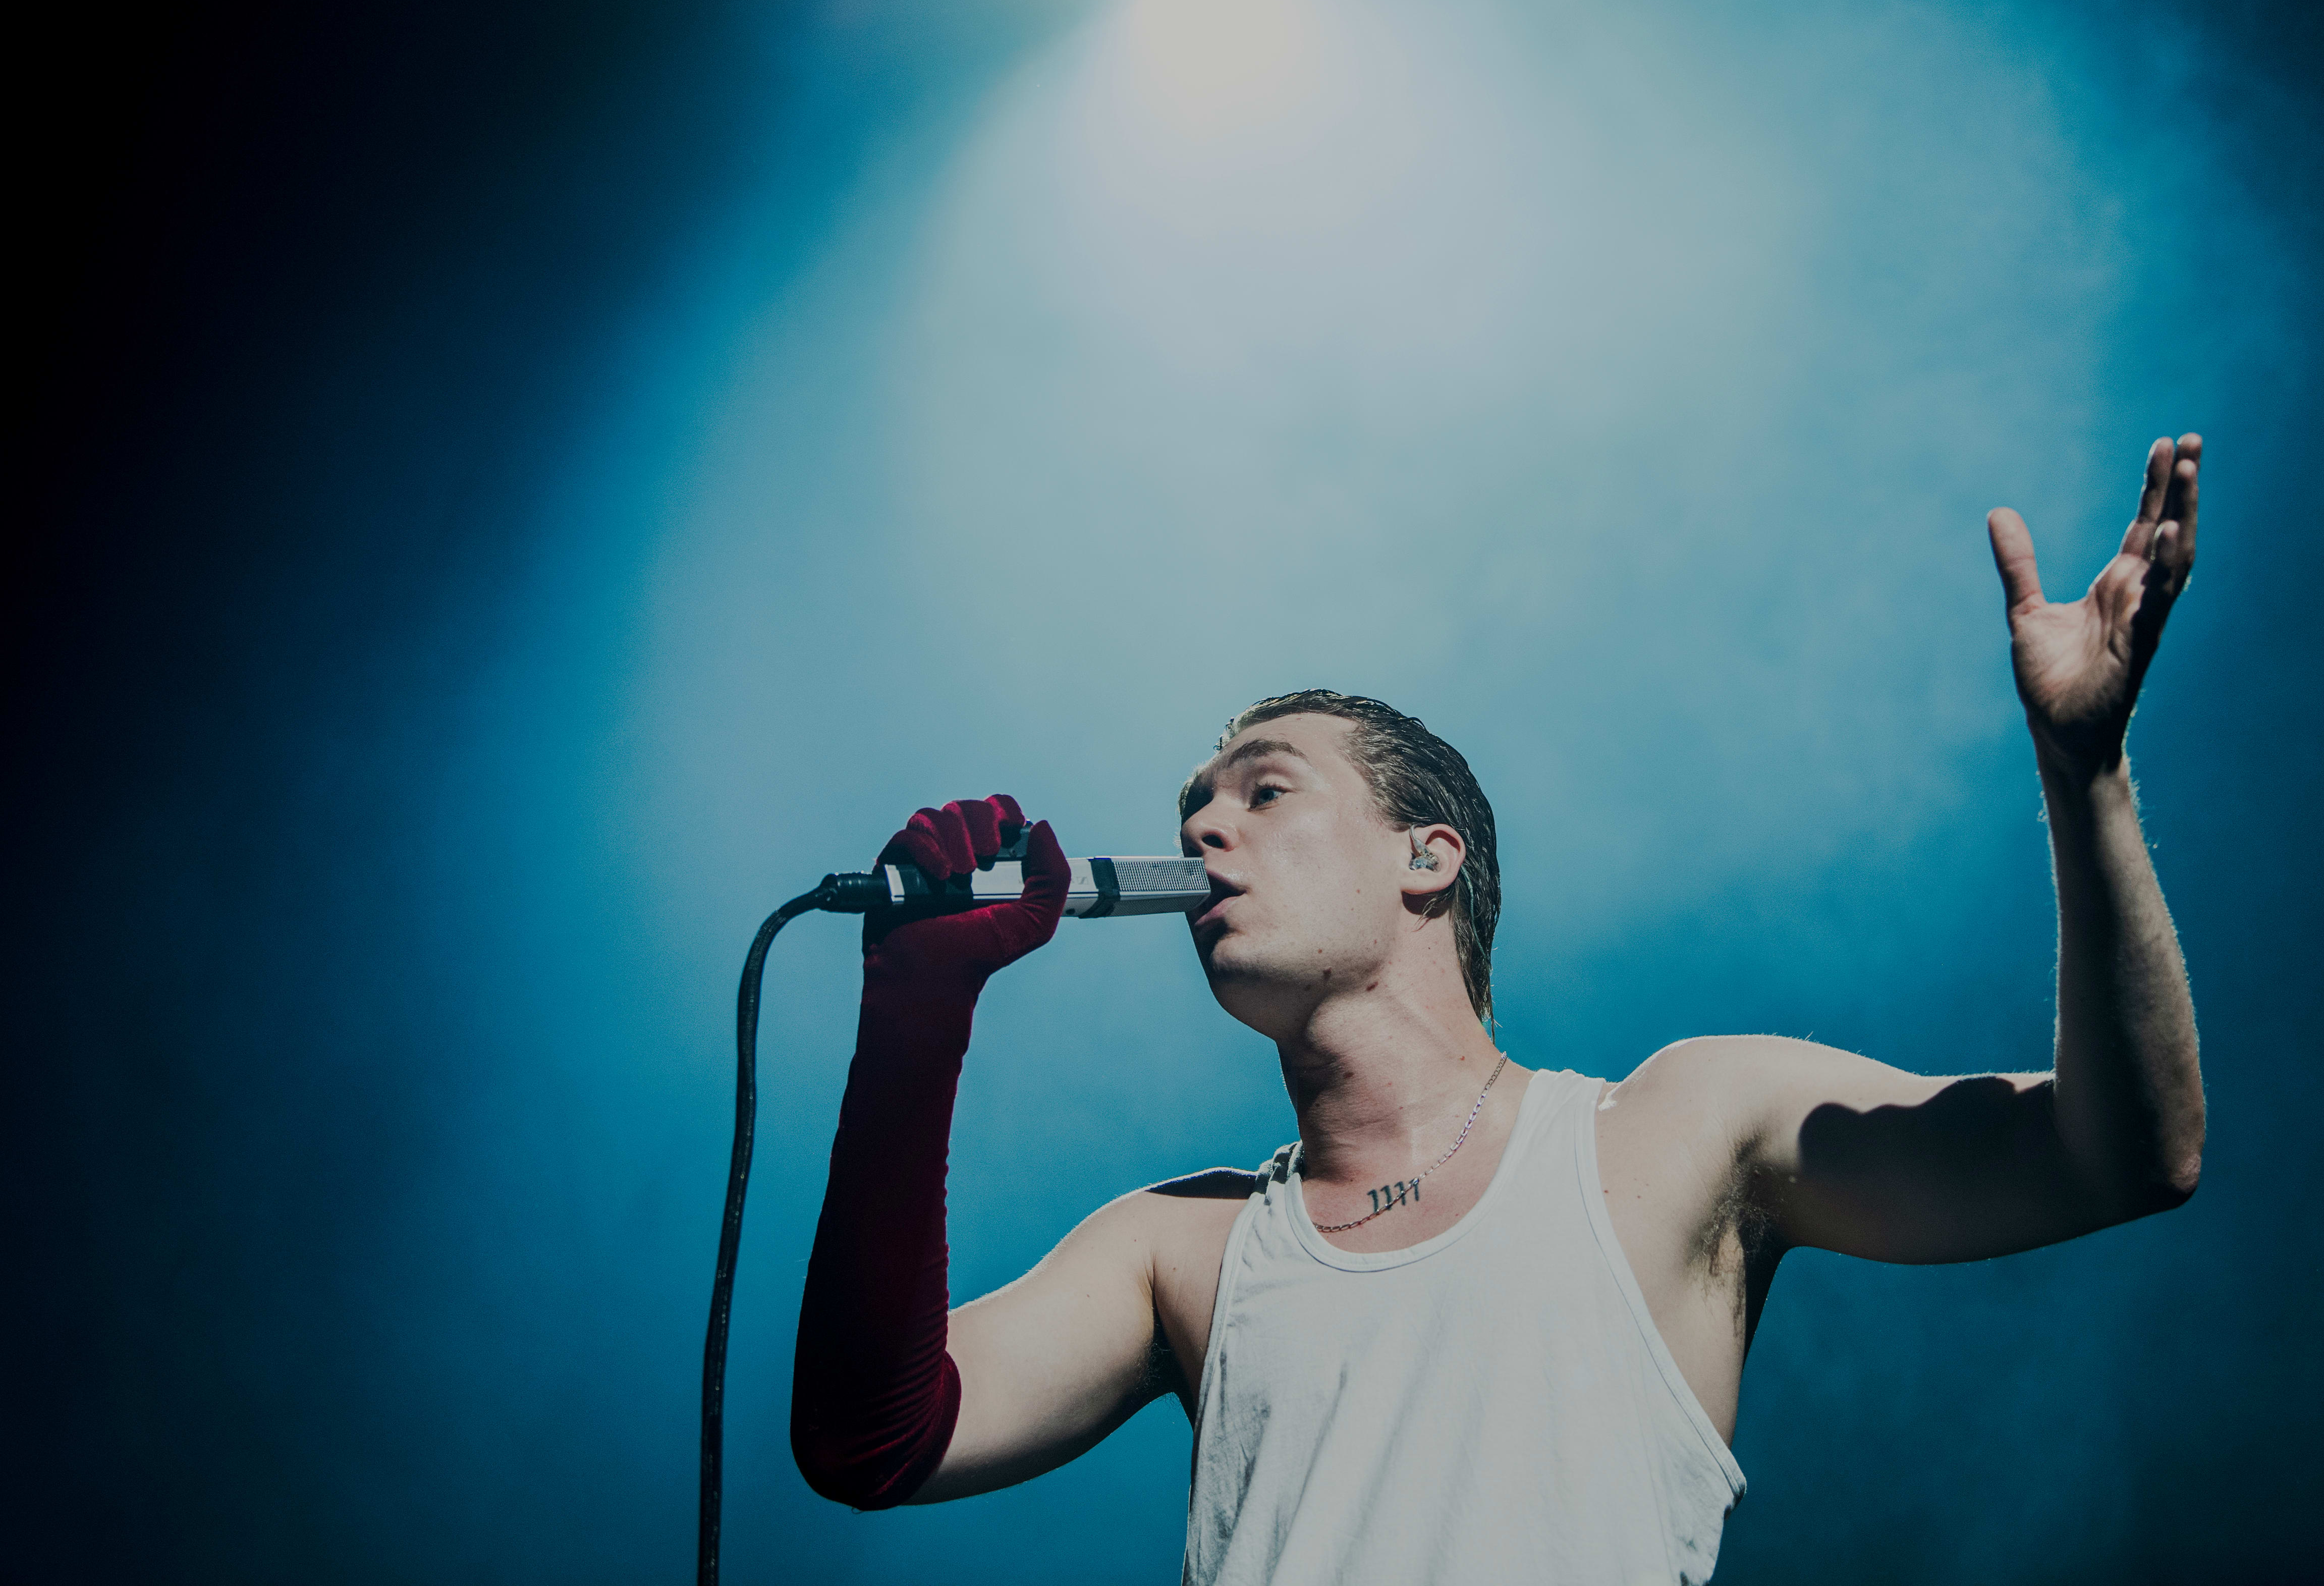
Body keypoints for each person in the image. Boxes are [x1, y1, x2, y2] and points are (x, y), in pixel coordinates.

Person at [790, 436, 2207, 1584]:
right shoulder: (1180, 1244)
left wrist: (2083, 774)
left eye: (1266, 791)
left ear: (1429, 857)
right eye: (1193, 811)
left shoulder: (1677, 1130)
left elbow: (2122, 1157)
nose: (1206, 830)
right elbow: (871, 1443)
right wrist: (916, 1021)